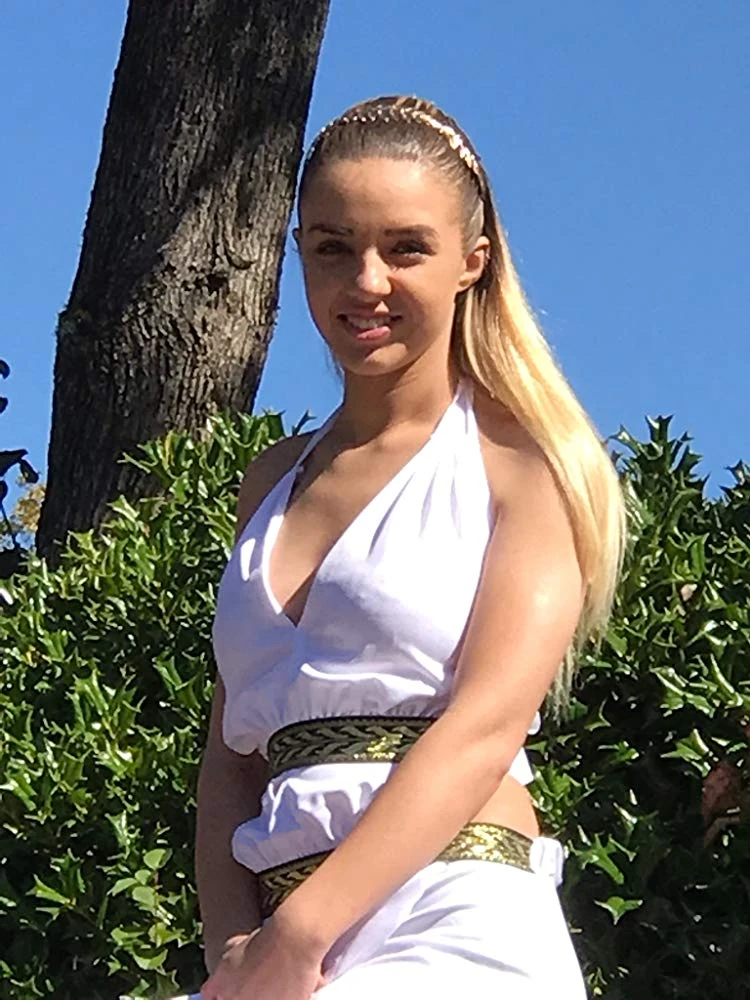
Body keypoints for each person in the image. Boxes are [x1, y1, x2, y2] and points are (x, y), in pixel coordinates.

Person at [187, 94, 628, 1000]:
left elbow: (486, 725)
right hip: (283, 940)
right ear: (298, 254)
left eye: (406, 248)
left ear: (473, 262)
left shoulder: (522, 464)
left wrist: (299, 935)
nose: (367, 280)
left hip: (455, 918)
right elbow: (230, 760)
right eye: (333, 247)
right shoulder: (269, 480)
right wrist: (235, 952)